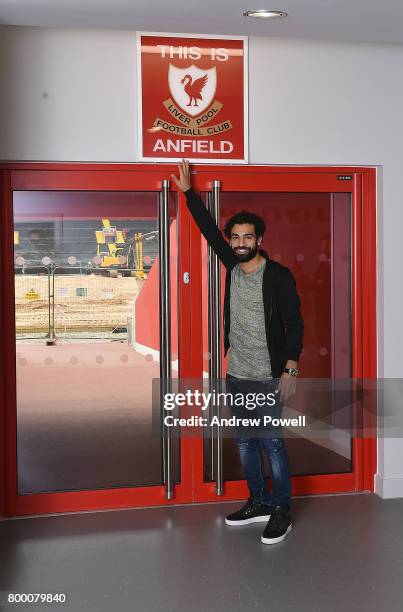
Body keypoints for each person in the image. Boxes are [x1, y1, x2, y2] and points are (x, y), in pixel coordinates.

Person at [171, 160, 304, 544]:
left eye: (248, 237)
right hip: (238, 372)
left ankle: (281, 509)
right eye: (236, 237)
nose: (241, 243)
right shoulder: (231, 265)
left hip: (269, 374)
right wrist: (187, 192)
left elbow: (294, 324)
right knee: (245, 440)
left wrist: (289, 370)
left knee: (272, 441)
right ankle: (258, 501)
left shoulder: (278, 276)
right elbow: (208, 230)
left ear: (260, 239)